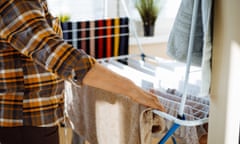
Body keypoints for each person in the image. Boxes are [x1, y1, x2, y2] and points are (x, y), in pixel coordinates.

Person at [0, 0, 164, 144]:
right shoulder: (17, 3)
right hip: (26, 124)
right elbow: (62, 57)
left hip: (31, 120)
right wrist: (133, 90)